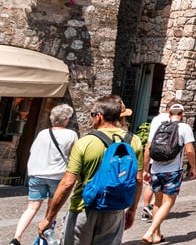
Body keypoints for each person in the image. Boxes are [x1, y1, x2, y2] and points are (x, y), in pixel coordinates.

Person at [37, 95, 144, 245]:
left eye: (92, 114)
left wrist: (49, 218)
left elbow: (67, 183)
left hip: (83, 208)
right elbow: (138, 180)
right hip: (115, 209)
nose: (91, 118)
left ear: (99, 117)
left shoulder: (85, 142)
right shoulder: (134, 141)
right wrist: (132, 210)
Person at [10, 104, 77, 245]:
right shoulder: (71, 135)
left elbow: (33, 151)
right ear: (66, 120)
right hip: (57, 177)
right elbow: (74, 155)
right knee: (51, 211)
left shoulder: (43, 133)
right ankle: (43, 241)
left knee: (31, 208)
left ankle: (16, 238)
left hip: (37, 175)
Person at [141, 104, 195, 245]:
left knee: (158, 202)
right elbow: (189, 150)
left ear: (169, 113)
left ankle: (157, 235)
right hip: (172, 171)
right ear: (182, 114)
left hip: (156, 170)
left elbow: (148, 148)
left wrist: (146, 169)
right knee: (168, 202)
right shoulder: (184, 127)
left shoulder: (160, 126)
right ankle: (150, 232)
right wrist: (193, 167)